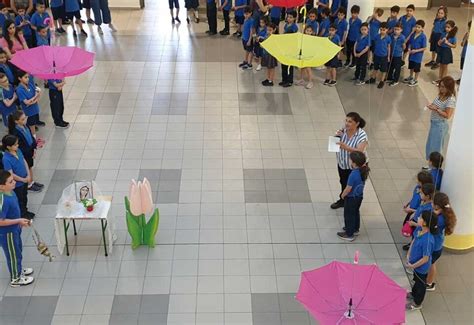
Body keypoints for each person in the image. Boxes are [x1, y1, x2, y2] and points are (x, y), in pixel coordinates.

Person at [0, 170, 34, 287]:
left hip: (15, 228)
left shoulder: (10, 192)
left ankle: (18, 269)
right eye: (10, 182)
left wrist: (20, 221)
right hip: (7, 233)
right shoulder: (2, 200)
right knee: (13, 254)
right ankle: (15, 278)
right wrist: (18, 221)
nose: (14, 182)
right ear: (1, 186)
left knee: (18, 250)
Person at [331, 112, 368, 209]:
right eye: (346, 120)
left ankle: (351, 203)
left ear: (357, 123)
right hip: (343, 164)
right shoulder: (343, 130)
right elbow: (336, 144)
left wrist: (346, 147)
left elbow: (359, 151)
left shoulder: (362, 136)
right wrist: (336, 137)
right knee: (343, 182)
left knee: (352, 185)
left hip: (354, 167)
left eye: (350, 121)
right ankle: (343, 200)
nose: (347, 123)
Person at [406, 210, 436, 311]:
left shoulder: (428, 240)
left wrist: (413, 266)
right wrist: (409, 253)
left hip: (421, 268)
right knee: (416, 281)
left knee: (420, 285)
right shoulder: (420, 230)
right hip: (415, 264)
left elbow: (425, 258)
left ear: (425, 222)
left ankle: (417, 303)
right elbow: (414, 240)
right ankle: (413, 293)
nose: (418, 218)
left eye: (420, 217)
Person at [426, 192, 456, 291]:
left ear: (437, 206)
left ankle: (429, 283)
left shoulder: (439, 219)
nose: (431, 204)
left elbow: (431, 228)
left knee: (431, 264)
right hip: (437, 244)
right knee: (431, 263)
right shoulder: (444, 214)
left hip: (435, 246)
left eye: (432, 203)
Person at [8, 110, 44, 193]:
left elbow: (31, 137)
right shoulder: (15, 132)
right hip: (25, 154)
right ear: (16, 121)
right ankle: (29, 184)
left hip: (30, 151)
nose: (25, 120)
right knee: (27, 168)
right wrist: (31, 150)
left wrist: (34, 147)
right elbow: (21, 147)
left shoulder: (25, 126)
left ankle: (32, 181)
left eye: (25, 118)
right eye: (23, 119)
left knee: (30, 167)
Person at [337, 151, 369, 241]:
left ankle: (349, 234)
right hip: (359, 196)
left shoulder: (353, 174)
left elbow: (348, 188)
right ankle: (355, 228)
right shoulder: (363, 171)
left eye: (351, 161)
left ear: (354, 163)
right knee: (355, 212)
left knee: (349, 215)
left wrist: (343, 195)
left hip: (351, 198)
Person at [2, 135, 35, 219]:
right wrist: (23, 179)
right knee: (20, 199)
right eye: (15, 144)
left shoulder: (18, 151)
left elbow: (24, 161)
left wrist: (28, 174)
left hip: (24, 179)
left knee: (24, 197)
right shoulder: (6, 159)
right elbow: (11, 174)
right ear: (9, 147)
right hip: (17, 184)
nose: (18, 145)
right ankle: (22, 214)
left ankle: (25, 210)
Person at [425, 76, 456, 160]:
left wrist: (436, 109)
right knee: (430, 145)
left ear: (448, 88)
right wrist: (432, 105)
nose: (440, 88)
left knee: (436, 147)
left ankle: (435, 166)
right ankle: (430, 163)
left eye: (443, 87)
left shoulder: (451, 100)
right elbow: (437, 105)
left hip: (440, 126)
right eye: (440, 86)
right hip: (434, 123)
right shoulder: (441, 94)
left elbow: (447, 115)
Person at [404, 183, 435, 250]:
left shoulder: (428, 208)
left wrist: (413, 224)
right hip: (416, 220)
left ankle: (413, 247)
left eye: (421, 193)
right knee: (413, 236)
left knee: (416, 238)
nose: (419, 194)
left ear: (427, 196)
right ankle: (411, 244)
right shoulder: (424, 201)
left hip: (419, 227)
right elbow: (419, 210)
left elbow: (424, 225)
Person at [16, 70, 44, 134]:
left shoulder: (30, 84)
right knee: (31, 127)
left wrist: (33, 100)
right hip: (28, 112)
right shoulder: (19, 90)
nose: (28, 79)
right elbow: (26, 102)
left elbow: (38, 94)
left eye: (28, 77)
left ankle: (33, 139)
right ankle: (33, 140)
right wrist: (35, 97)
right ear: (19, 78)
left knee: (33, 125)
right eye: (25, 77)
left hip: (34, 109)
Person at [403, 20, 426, 87]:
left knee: (416, 68)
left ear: (422, 28)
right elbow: (410, 43)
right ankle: (411, 76)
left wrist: (416, 51)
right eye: (416, 27)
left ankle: (415, 80)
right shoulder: (413, 34)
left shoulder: (423, 36)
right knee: (411, 66)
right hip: (411, 55)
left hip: (417, 56)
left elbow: (424, 48)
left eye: (419, 27)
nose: (417, 28)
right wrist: (409, 48)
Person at [366, 21, 390, 89]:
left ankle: (382, 81)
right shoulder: (376, 36)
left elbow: (389, 47)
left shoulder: (388, 38)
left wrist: (388, 56)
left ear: (387, 30)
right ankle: (373, 78)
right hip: (376, 55)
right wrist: (372, 55)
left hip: (384, 56)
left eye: (384, 30)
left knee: (383, 69)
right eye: (381, 29)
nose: (382, 31)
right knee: (375, 67)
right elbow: (374, 46)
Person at [433, 20, 457, 85]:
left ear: (452, 28)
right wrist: (440, 42)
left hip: (447, 51)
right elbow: (439, 42)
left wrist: (448, 43)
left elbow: (454, 45)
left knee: (445, 66)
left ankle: (443, 80)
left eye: (448, 27)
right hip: (441, 50)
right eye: (446, 27)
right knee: (441, 65)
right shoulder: (443, 34)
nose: (447, 28)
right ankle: (440, 79)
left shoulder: (453, 36)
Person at [279, 11, 297, 87]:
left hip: (291, 48)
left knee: (289, 65)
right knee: (284, 64)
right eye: (288, 17)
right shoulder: (286, 25)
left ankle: (289, 81)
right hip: (285, 46)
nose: (289, 18)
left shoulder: (294, 27)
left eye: (291, 17)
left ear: (294, 18)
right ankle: (284, 79)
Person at [261, 22, 277, 87]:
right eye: (267, 30)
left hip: (271, 55)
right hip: (266, 54)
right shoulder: (266, 35)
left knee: (272, 68)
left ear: (274, 30)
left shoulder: (274, 37)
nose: (268, 31)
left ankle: (271, 80)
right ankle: (268, 78)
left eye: (270, 30)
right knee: (268, 67)